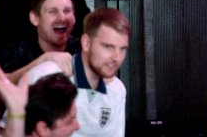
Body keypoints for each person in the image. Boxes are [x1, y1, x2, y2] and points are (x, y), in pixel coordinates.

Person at [26, 7, 131, 137]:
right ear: (86, 43)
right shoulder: (45, 75)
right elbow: (11, 132)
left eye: (122, 49)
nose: (116, 58)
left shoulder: (117, 89)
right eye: (108, 47)